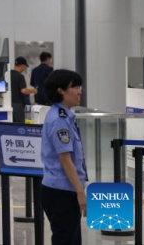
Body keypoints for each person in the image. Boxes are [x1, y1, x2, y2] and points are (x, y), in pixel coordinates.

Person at [41, 69, 86, 245]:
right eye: (74, 87)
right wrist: (80, 193)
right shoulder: (59, 120)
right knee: (65, 240)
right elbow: (65, 159)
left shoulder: (64, 116)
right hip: (62, 192)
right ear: (60, 90)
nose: (79, 91)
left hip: (63, 189)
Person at [10, 57, 37, 123]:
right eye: (25, 67)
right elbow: (24, 90)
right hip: (18, 104)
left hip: (9, 103)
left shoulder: (8, 74)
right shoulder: (20, 76)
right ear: (22, 65)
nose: (24, 69)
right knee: (20, 124)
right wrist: (34, 91)